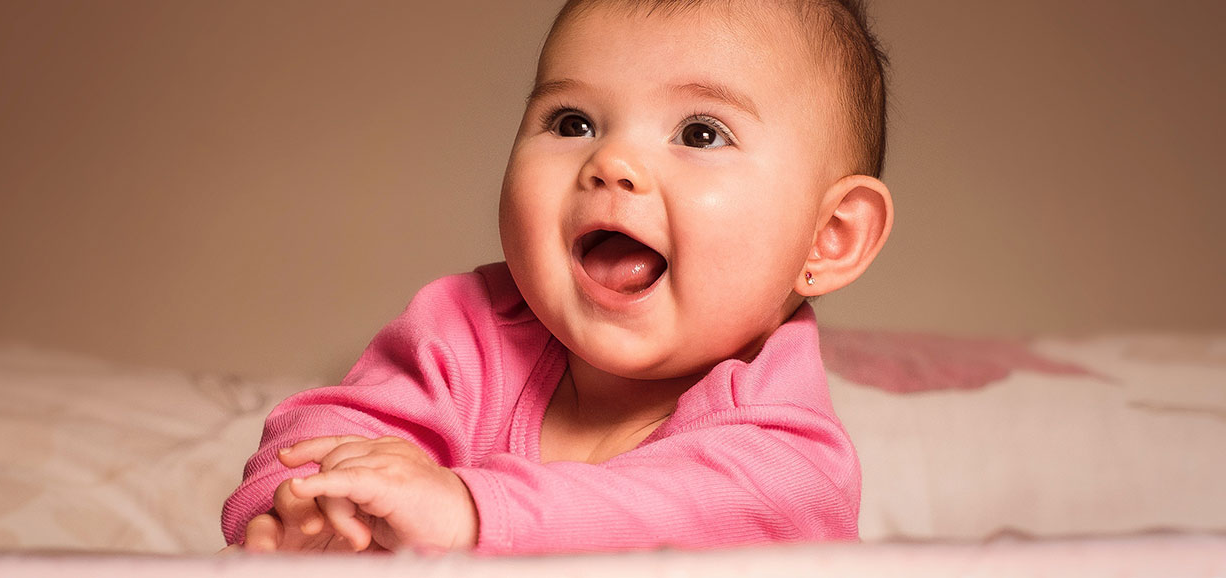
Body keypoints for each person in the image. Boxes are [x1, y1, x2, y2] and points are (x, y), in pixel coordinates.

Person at [222, 0, 894, 554]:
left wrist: (471, 511)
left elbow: (669, 515)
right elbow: (335, 429)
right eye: (572, 122)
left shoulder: (791, 459)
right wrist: (316, 508)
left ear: (828, 238)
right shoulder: (468, 329)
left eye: (699, 133)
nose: (613, 161)